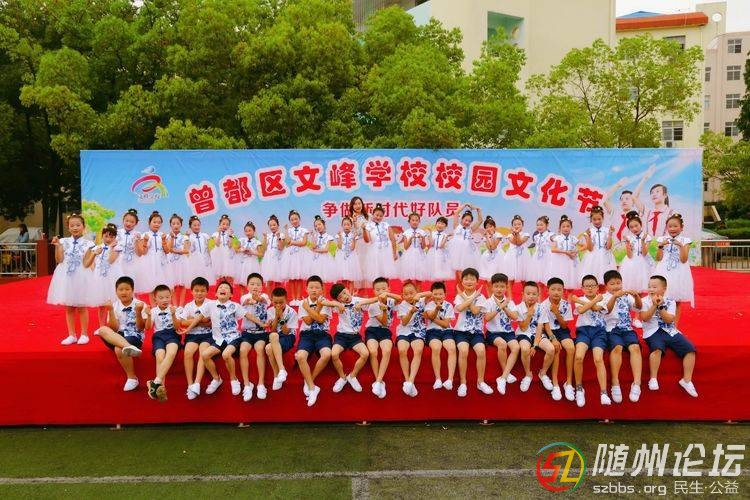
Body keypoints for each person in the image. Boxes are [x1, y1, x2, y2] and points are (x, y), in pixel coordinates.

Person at [183, 281, 247, 397]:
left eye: (226, 288)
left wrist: (262, 324)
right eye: (220, 287)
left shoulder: (234, 305)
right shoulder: (211, 304)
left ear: (231, 294)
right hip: (219, 339)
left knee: (226, 354)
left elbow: (247, 315)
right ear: (216, 294)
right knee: (205, 355)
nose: (223, 288)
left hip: (232, 337)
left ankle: (234, 380)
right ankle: (216, 379)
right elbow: (199, 318)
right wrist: (188, 329)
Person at [640, 275, 697, 397]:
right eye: (649, 286)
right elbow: (644, 318)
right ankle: (653, 378)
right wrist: (654, 305)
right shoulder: (644, 301)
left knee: (690, 349)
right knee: (657, 349)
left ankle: (686, 381)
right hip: (653, 331)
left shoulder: (670, 301)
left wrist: (660, 306)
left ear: (664, 288)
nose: (651, 289)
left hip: (669, 330)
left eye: (654, 287)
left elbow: (669, 320)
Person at [47, 213, 95, 346]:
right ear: (68, 227)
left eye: (78, 225)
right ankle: (71, 335)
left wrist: (94, 255)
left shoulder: (89, 244)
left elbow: (86, 263)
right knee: (69, 307)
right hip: (66, 277)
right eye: (72, 225)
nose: (75, 228)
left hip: (81, 276)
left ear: (83, 226)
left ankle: (84, 334)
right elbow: (59, 260)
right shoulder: (63, 241)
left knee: (81, 306)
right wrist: (57, 246)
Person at [324, 283, 377, 394]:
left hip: (355, 337)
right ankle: (342, 377)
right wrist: (337, 304)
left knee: (365, 354)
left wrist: (361, 303)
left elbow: (375, 299)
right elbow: (323, 302)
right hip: (341, 336)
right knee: (334, 354)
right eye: (340, 297)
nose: (344, 297)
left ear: (348, 289)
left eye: (344, 293)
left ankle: (352, 376)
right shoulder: (338, 305)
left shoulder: (358, 300)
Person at [95, 276, 145, 391]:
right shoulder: (114, 305)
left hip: (134, 336)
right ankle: (128, 347)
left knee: (119, 349)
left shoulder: (140, 304)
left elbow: (141, 328)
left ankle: (132, 378)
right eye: (121, 289)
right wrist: (110, 310)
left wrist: (138, 312)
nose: (124, 292)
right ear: (116, 291)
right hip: (117, 336)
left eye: (127, 289)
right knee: (102, 329)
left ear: (133, 291)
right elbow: (114, 328)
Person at [601, 270, 643, 404]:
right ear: (606, 286)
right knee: (617, 347)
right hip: (612, 329)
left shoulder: (627, 296)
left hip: (627, 328)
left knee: (635, 348)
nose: (616, 286)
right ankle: (615, 382)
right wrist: (615, 296)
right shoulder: (603, 297)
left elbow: (638, 308)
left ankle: (637, 383)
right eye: (612, 284)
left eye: (618, 283)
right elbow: (607, 310)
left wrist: (636, 297)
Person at [570, 275, 609, 407]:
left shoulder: (602, 298)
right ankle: (579, 388)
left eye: (592, 286)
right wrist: (588, 301)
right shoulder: (582, 299)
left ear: (597, 287)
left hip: (599, 332)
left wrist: (582, 301)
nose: (590, 288)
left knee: (598, 359)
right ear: (582, 288)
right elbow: (581, 310)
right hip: (583, 332)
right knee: (578, 357)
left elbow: (597, 308)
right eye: (587, 286)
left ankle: (603, 393)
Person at [453, 268, 493, 397]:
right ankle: (463, 383)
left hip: (476, 332)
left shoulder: (481, 297)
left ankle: (480, 382)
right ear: (462, 282)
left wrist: (469, 297)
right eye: (466, 279)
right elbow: (459, 308)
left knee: (481, 351)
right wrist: (469, 297)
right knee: (463, 351)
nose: (469, 281)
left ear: (477, 282)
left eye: (472, 279)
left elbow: (475, 311)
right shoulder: (459, 296)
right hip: (461, 332)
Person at [295, 275, 333, 407]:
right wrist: (313, 308)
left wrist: (309, 309)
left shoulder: (325, 302)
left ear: (322, 289)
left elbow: (321, 320)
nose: (314, 290)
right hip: (307, 335)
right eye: (311, 287)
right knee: (300, 356)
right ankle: (312, 387)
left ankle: (309, 380)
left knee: (327, 354)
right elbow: (308, 321)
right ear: (306, 289)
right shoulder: (303, 303)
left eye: (317, 287)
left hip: (323, 334)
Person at [512, 281, 552, 395]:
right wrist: (529, 314)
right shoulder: (518, 308)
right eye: (528, 293)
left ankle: (543, 373)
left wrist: (535, 345)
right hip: (523, 334)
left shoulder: (542, 308)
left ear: (538, 295)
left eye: (534, 294)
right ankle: (528, 374)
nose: (531, 296)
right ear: (523, 294)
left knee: (551, 349)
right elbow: (523, 328)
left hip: (537, 334)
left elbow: (540, 327)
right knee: (524, 349)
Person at [177, 277, 213, 400]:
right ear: (191, 291)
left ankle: (197, 383)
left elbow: (211, 323)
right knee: (188, 352)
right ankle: (190, 384)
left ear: (207, 291)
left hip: (207, 335)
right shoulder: (188, 306)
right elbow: (182, 323)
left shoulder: (211, 304)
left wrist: (192, 321)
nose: (199, 293)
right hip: (192, 335)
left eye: (202, 291)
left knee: (203, 352)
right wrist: (202, 321)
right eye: (196, 290)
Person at [364, 277, 401, 398]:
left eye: (384, 289)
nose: (381, 292)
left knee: (386, 350)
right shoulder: (373, 305)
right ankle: (378, 382)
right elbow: (384, 321)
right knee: (373, 352)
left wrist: (388, 295)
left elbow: (400, 299)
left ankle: (378, 381)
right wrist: (384, 310)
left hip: (385, 331)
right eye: (378, 290)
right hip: (372, 330)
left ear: (389, 289)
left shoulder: (390, 300)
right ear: (374, 291)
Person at [654, 213, 694, 320]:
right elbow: (658, 258)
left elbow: (684, 259)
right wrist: (661, 246)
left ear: (681, 227)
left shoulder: (685, 241)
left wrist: (680, 245)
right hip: (663, 271)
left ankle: (674, 325)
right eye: (670, 226)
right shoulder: (662, 239)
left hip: (678, 272)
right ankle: (660, 323)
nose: (672, 229)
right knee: (660, 298)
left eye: (675, 226)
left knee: (677, 301)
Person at [484, 273, 519, 395]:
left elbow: (515, 317)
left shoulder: (510, 302)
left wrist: (504, 307)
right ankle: (506, 374)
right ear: (492, 287)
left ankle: (503, 378)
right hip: (493, 333)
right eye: (496, 286)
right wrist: (499, 308)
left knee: (516, 347)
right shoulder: (488, 302)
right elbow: (487, 318)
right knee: (502, 344)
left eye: (502, 286)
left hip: (508, 332)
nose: (499, 289)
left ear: (506, 287)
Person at [145, 285, 181, 402]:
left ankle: (156, 383)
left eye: (167, 297)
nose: (165, 300)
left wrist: (173, 314)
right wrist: (149, 315)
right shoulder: (153, 311)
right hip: (159, 336)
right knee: (160, 356)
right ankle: (161, 389)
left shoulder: (174, 309)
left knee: (171, 353)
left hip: (172, 335)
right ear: (155, 299)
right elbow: (148, 328)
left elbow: (177, 327)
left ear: (171, 297)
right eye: (161, 298)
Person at [541, 277, 575, 402]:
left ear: (563, 291)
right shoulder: (543, 305)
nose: (556, 292)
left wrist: (556, 313)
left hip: (562, 330)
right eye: (553, 289)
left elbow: (565, 326)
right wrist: (553, 339)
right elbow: (545, 325)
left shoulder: (566, 304)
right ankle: (555, 384)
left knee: (571, 348)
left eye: (559, 290)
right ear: (547, 290)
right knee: (556, 349)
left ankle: (569, 383)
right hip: (549, 331)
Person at [238, 273, 270, 402]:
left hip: (261, 333)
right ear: (247, 286)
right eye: (252, 284)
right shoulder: (244, 297)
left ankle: (261, 384)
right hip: (247, 333)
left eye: (258, 284)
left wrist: (258, 299)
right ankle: (247, 384)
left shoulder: (265, 296)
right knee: (242, 350)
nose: (255, 286)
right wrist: (251, 300)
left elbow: (264, 301)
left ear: (262, 286)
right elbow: (245, 302)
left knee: (260, 349)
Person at [396, 281, 432, 397]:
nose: (409, 296)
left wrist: (419, 295)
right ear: (402, 295)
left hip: (418, 331)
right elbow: (404, 322)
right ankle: (407, 381)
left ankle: (411, 381)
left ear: (416, 292)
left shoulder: (421, 300)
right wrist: (411, 312)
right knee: (402, 350)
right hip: (404, 331)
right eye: (406, 294)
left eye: (411, 293)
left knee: (418, 350)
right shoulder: (402, 305)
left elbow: (431, 293)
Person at [84, 223, 123, 329]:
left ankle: (115, 326)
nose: (108, 239)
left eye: (111, 237)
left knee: (114, 303)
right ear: (102, 236)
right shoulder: (97, 247)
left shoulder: (117, 247)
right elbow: (92, 262)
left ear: (115, 237)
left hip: (112, 277)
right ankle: (102, 327)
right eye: (106, 236)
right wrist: (95, 272)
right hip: (100, 278)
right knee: (101, 304)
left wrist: (111, 248)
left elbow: (110, 261)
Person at [603, 165, 654, 241]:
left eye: (627, 199)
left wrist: (645, 178)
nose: (624, 201)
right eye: (622, 199)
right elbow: (605, 199)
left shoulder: (637, 215)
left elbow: (635, 195)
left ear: (633, 202)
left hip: (631, 246)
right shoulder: (615, 213)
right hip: (615, 246)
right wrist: (618, 185)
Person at [424, 281, 457, 391]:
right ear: (432, 294)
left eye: (440, 294)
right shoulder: (429, 305)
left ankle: (450, 380)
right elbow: (431, 315)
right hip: (432, 331)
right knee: (436, 348)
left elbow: (446, 324)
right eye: (435, 294)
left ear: (445, 294)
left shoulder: (449, 305)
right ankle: (438, 379)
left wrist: (431, 318)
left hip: (447, 331)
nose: (438, 296)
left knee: (452, 348)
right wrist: (436, 310)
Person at [265, 286, 299, 391]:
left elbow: (285, 332)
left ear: (286, 300)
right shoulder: (270, 311)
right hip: (275, 336)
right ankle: (280, 371)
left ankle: (277, 375)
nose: (278, 305)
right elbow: (273, 330)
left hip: (288, 337)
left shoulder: (292, 312)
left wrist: (282, 318)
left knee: (269, 347)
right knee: (271, 340)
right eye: (275, 302)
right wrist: (276, 317)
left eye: (281, 302)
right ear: (272, 300)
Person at [136, 211, 169, 299]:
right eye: (154, 222)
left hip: (161, 263)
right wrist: (145, 241)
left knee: (162, 285)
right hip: (150, 262)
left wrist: (164, 240)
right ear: (149, 222)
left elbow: (167, 251)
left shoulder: (163, 235)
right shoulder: (145, 235)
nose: (156, 224)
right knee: (151, 286)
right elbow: (144, 252)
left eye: (159, 222)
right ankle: (153, 306)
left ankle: (161, 304)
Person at [579, 206, 614, 287]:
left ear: (603, 218)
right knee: (592, 279)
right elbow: (590, 248)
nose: (597, 221)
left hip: (605, 256)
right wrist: (588, 236)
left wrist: (610, 235)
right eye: (594, 219)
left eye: (599, 219)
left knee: (605, 279)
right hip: (592, 257)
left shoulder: (606, 230)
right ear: (591, 219)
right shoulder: (588, 231)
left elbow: (608, 247)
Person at [619, 211, 653, 294]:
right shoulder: (629, 238)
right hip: (631, 263)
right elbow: (629, 256)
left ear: (641, 224)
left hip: (644, 263)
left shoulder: (647, 237)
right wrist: (627, 244)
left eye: (636, 225)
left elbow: (644, 254)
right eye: (631, 227)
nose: (634, 229)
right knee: (632, 284)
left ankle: (642, 300)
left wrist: (642, 241)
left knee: (643, 282)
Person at [363, 203, 397, 282]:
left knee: (386, 271)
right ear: (373, 214)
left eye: (381, 216)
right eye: (377, 215)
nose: (378, 217)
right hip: (375, 252)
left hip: (386, 251)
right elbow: (367, 240)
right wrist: (364, 230)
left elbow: (393, 239)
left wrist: (394, 253)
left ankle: (387, 288)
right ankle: (377, 288)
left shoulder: (386, 225)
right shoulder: (368, 226)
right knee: (376, 272)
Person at [281, 210, 310, 302]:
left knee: (299, 278)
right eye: (292, 219)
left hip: (301, 255)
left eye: (296, 219)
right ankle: (293, 298)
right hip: (290, 255)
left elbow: (304, 243)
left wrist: (293, 242)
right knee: (292, 278)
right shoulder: (289, 230)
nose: (294, 221)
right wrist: (286, 230)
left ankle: (298, 297)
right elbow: (287, 242)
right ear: (290, 221)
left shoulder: (304, 230)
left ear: (299, 219)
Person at [450, 204, 482, 282]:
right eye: (466, 220)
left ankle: (464, 287)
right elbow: (456, 212)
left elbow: (480, 221)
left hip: (467, 253)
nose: (467, 222)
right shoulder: (456, 226)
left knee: (464, 272)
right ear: (462, 219)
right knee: (458, 273)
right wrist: (465, 205)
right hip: (456, 252)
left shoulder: (470, 229)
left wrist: (478, 210)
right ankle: (460, 288)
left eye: (469, 221)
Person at [549, 215, 580, 293]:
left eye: (568, 226)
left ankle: (569, 298)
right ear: (560, 228)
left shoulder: (573, 238)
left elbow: (582, 246)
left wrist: (576, 251)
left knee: (570, 278)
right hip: (560, 262)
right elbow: (553, 249)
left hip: (571, 261)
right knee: (561, 278)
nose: (566, 228)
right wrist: (565, 252)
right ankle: (561, 296)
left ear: (571, 227)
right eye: (563, 226)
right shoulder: (557, 238)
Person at [503, 215, 531, 299]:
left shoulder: (526, 234)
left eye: (519, 224)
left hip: (523, 258)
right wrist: (515, 233)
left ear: (522, 225)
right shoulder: (509, 235)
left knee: (524, 279)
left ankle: (525, 298)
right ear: (512, 226)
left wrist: (517, 233)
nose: (517, 226)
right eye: (515, 224)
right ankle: (510, 299)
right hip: (511, 257)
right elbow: (515, 242)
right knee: (510, 279)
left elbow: (519, 242)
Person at [165, 214, 190, 306]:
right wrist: (171, 239)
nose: (176, 225)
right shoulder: (167, 237)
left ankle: (181, 306)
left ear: (181, 225)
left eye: (178, 223)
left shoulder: (185, 237)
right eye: (173, 223)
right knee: (173, 286)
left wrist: (174, 251)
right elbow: (168, 249)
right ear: (170, 225)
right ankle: (175, 306)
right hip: (171, 264)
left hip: (182, 263)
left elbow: (186, 251)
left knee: (183, 285)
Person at [399, 212, 429, 288]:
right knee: (408, 278)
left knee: (419, 279)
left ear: (419, 221)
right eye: (413, 220)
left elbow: (423, 247)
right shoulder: (406, 232)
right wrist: (411, 238)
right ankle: (408, 293)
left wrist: (422, 239)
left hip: (419, 256)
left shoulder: (422, 232)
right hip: (409, 256)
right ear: (409, 221)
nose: (415, 222)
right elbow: (405, 247)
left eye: (416, 220)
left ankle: (418, 294)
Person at [235, 221, 263, 298]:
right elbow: (236, 250)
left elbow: (261, 254)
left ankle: (253, 298)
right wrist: (242, 250)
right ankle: (243, 298)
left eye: (249, 230)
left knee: (253, 282)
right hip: (243, 263)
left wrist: (252, 252)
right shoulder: (242, 240)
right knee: (242, 282)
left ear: (254, 231)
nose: (248, 233)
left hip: (252, 263)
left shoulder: (257, 242)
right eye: (246, 231)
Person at [334, 216, 362, 290]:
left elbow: (352, 248)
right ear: (342, 225)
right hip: (341, 257)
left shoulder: (354, 235)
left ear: (351, 225)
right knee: (343, 277)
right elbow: (339, 247)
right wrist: (340, 236)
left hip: (351, 257)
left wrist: (353, 238)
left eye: (348, 224)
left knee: (351, 278)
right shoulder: (339, 235)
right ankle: (344, 293)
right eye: (344, 224)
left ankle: (351, 294)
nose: (346, 226)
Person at [348, 196, 370, 292]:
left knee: (366, 266)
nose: (357, 206)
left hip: (367, 244)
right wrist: (354, 222)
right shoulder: (350, 218)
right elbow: (352, 233)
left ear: (362, 204)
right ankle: (356, 291)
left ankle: (365, 292)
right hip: (356, 244)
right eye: (355, 204)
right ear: (352, 206)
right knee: (357, 267)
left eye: (359, 203)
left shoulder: (368, 216)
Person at [185, 215, 214, 285]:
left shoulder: (205, 235)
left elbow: (210, 248)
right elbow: (187, 249)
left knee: (206, 281)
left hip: (205, 260)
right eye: (194, 225)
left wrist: (211, 258)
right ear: (190, 226)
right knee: (196, 281)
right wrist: (187, 237)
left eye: (198, 225)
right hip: (194, 262)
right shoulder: (189, 237)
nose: (197, 227)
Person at [117, 209, 142, 290]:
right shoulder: (117, 232)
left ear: (136, 223)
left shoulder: (138, 234)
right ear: (123, 220)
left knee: (130, 285)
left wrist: (136, 242)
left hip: (132, 264)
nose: (128, 224)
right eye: (126, 221)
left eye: (132, 222)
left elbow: (139, 254)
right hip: (117, 263)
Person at [261, 214, 285, 292]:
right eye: (270, 225)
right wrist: (265, 237)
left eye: (274, 225)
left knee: (278, 280)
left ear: (278, 225)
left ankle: (278, 296)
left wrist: (278, 237)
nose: (272, 227)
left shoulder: (282, 235)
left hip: (278, 259)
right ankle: (269, 297)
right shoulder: (268, 236)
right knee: (269, 280)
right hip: (268, 259)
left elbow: (281, 248)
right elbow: (264, 249)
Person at [309, 215, 335, 284]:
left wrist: (315, 250)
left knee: (324, 278)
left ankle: (323, 291)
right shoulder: (315, 236)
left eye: (319, 224)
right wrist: (312, 236)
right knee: (316, 279)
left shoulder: (329, 237)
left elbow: (326, 250)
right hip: (316, 259)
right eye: (316, 226)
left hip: (325, 259)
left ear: (324, 225)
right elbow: (313, 246)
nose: (318, 227)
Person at [210, 214, 236, 284]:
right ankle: (220, 288)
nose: (225, 226)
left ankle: (229, 288)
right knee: (220, 274)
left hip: (227, 254)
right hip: (219, 254)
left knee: (228, 275)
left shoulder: (230, 234)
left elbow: (230, 245)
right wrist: (219, 233)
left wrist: (230, 236)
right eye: (223, 224)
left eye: (227, 224)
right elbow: (217, 244)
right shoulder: (215, 234)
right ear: (220, 224)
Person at [426, 216, 453, 282]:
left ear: (445, 226)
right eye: (439, 223)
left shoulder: (445, 235)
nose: (440, 225)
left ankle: (442, 286)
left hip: (441, 255)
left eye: (442, 224)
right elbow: (431, 244)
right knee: (432, 272)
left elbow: (441, 246)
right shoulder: (432, 233)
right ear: (436, 224)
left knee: (442, 273)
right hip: (432, 254)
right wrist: (430, 233)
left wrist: (446, 237)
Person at [478, 216, 504, 283]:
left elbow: (493, 247)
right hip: (488, 257)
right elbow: (489, 249)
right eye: (487, 227)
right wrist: (487, 237)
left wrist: (492, 236)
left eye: (490, 226)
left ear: (494, 227)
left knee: (498, 278)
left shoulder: (498, 235)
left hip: (498, 256)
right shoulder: (485, 237)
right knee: (488, 279)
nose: (489, 228)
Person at [530, 216, 554, 288]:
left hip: (547, 257)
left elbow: (556, 239)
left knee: (547, 276)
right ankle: (540, 294)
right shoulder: (536, 236)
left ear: (547, 225)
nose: (539, 227)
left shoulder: (550, 235)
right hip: (537, 258)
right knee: (538, 278)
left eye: (541, 225)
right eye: (537, 225)